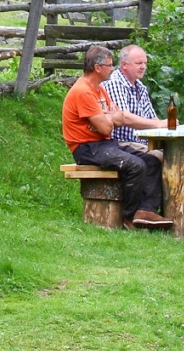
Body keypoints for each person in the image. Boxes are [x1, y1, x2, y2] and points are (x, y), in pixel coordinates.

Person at [62, 44, 170, 229]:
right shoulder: (83, 91)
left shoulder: (99, 89)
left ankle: (146, 211)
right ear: (97, 68)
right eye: (109, 65)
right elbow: (106, 128)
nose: (112, 69)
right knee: (136, 165)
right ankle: (128, 217)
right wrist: (109, 117)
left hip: (104, 144)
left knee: (151, 161)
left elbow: (119, 117)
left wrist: (107, 117)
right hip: (87, 147)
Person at [101, 44, 165, 152]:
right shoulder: (115, 83)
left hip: (141, 143)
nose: (143, 67)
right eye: (139, 63)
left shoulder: (140, 87)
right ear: (124, 65)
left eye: (145, 63)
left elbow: (153, 118)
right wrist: (159, 124)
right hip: (120, 144)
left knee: (176, 152)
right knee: (161, 157)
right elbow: (125, 117)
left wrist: (165, 125)